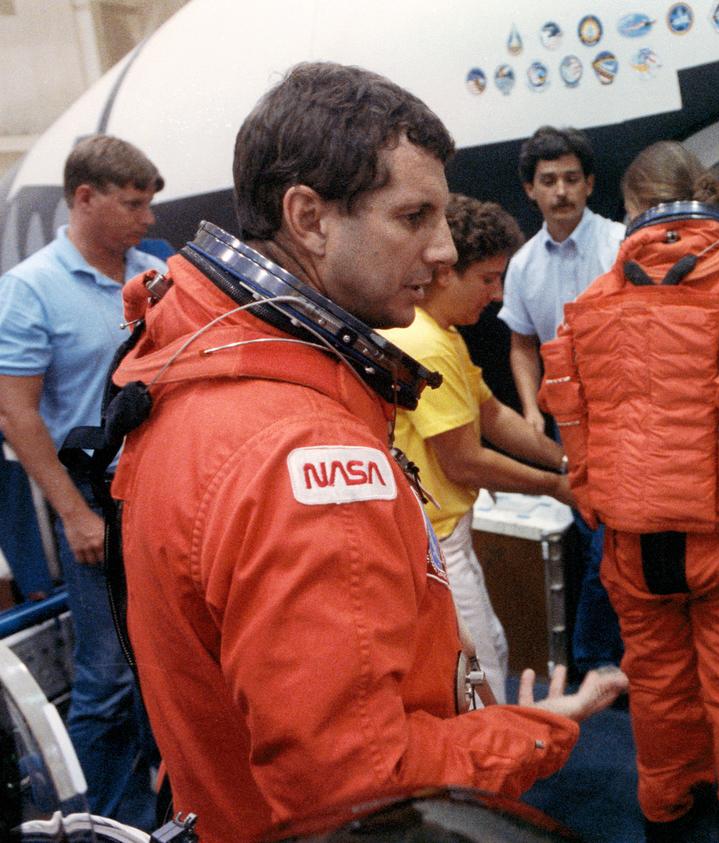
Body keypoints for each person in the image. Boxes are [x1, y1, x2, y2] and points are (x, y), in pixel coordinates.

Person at [105, 62, 625, 843]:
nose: (445, 250)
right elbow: (361, 792)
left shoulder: (191, 367)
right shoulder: (303, 459)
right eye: (413, 216)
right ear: (309, 217)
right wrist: (527, 733)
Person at [538, 140, 719, 842]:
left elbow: (577, 413)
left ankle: (668, 809)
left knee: (661, 686)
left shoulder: (594, 299)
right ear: (713, 198)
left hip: (633, 541)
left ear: (633, 209)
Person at [0, 134, 164, 828]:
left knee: (162, 665)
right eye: (133, 203)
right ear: (85, 198)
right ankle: (102, 820)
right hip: (95, 502)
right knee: (106, 675)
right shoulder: (31, 288)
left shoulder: (156, 273)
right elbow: (16, 411)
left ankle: (164, 806)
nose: (147, 218)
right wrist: (74, 514)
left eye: (149, 203)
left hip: (159, 496)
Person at [380, 194, 574, 705]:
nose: (496, 294)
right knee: (479, 680)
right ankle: (489, 783)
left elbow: (494, 415)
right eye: (488, 279)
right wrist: (560, 487)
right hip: (435, 547)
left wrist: (570, 462)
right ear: (445, 274)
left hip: (452, 535)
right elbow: (464, 459)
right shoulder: (423, 343)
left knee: (490, 659)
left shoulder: (443, 335)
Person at [499, 125, 625, 676]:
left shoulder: (621, 245)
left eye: (572, 178)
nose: (561, 191)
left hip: (629, 419)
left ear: (590, 183)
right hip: (568, 427)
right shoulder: (524, 264)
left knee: (612, 547)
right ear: (530, 189)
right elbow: (521, 343)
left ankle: (597, 660)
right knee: (596, 539)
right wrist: (530, 410)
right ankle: (606, 663)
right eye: (548, 180)